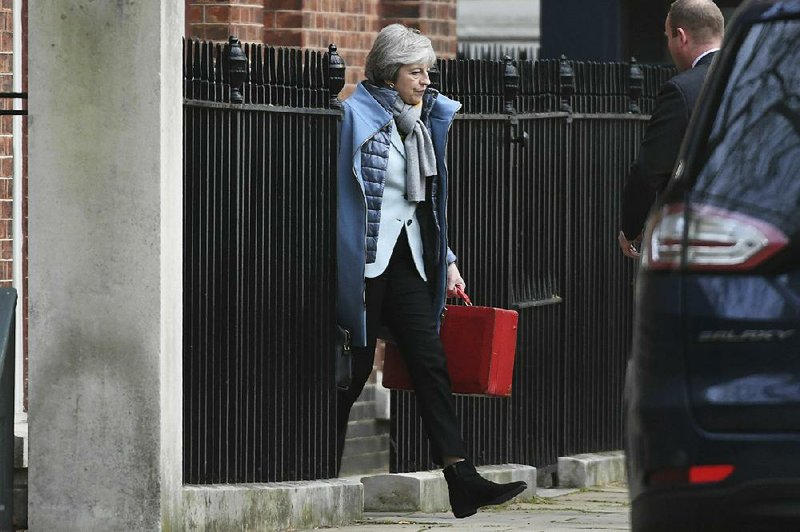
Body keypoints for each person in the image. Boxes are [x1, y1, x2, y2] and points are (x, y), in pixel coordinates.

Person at [335, 24, 527, 518]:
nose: (424, 81)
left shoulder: (421, 124)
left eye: (427, 72)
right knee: (353, 371)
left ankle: (460, 477)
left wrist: (448, 262)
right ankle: (316, 468)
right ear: (388, 72)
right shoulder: (352, 117)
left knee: (430, 362)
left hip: (411, 260)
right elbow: (349, 201)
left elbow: (428, 207)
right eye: (415, 72)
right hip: (366, 262)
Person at [618, 0, 724, 257]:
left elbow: (648, 170)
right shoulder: (758, 82)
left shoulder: (681, 91)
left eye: (668, 36)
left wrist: (630, 228)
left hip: (695, 235)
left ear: (681, 36)